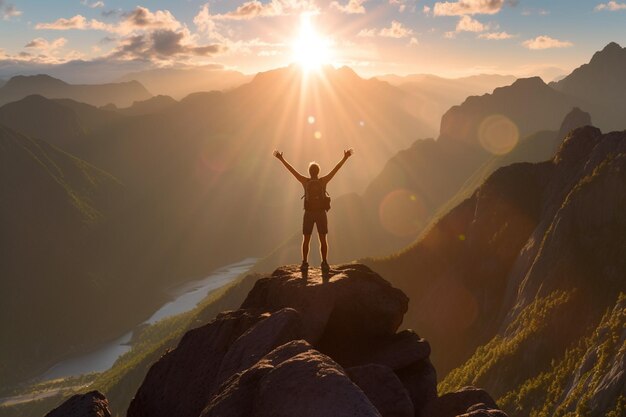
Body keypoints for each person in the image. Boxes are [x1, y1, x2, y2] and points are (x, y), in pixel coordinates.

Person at [273, 149, 354, 272]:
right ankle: (325, 262)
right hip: (321, 213)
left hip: (308, 213)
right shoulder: (323, 181)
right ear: (318, 171)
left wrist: (281, 159)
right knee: (323, 239)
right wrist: (345, 157)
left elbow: (291, 170)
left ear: (309, 172)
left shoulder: (305, 181)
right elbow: (336, 169)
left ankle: (304, 262)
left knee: (306, 239)